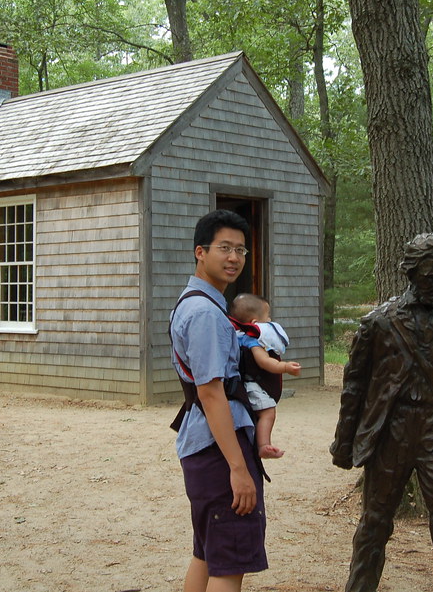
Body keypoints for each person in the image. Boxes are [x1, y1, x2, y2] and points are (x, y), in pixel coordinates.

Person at [330, 232, 433, 592]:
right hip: (391, 430)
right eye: (431, 276)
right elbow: (354, 386)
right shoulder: (379, 322)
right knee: (374, 522)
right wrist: (343, 444)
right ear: (411, 273)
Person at [169, 210, 268, 592]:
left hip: (204, 445)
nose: (234, 258)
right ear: (200, 252)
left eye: (240, 250)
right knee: (229, 563)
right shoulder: (205, 313)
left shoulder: (195, 303)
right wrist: (239, 469)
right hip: (217, 449)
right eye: (224, 248)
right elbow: (211, 395)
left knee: (208, 553)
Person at [229, 293, 301, 460]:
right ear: (255, 323)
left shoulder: (236, 336)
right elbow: (264, 362)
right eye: (267, 317)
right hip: (252, 385)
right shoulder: (253, 341)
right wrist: (285, 367)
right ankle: (263, 445)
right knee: (268, 412)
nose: (269, 321)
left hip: (241, 384)